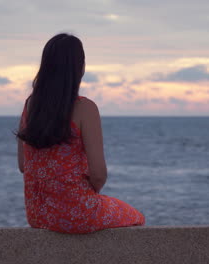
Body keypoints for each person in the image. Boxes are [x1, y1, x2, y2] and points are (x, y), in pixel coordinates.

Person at [15, 33, 145, 234]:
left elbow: (24, 165)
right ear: (80, 67)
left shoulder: (30, 105)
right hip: (77, 213)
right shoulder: (85, 108)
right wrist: (85, 196)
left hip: (37, 215)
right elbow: (99, 175)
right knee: (136, 216)